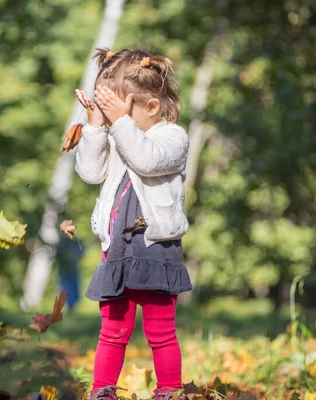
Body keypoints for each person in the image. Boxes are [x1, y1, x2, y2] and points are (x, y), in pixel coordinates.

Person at [74, 48, 192, 400]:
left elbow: (146, 159)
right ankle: (102, 391)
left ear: (152, 107)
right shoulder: (118, 135)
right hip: (118, 252)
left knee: (161, 331)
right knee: (112, 330)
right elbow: (91, 172)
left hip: (156, 249)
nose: (114, 120)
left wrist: (120, 125)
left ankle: (169, 390)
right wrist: (96, 126)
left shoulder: (173, 138)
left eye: (119, 110)